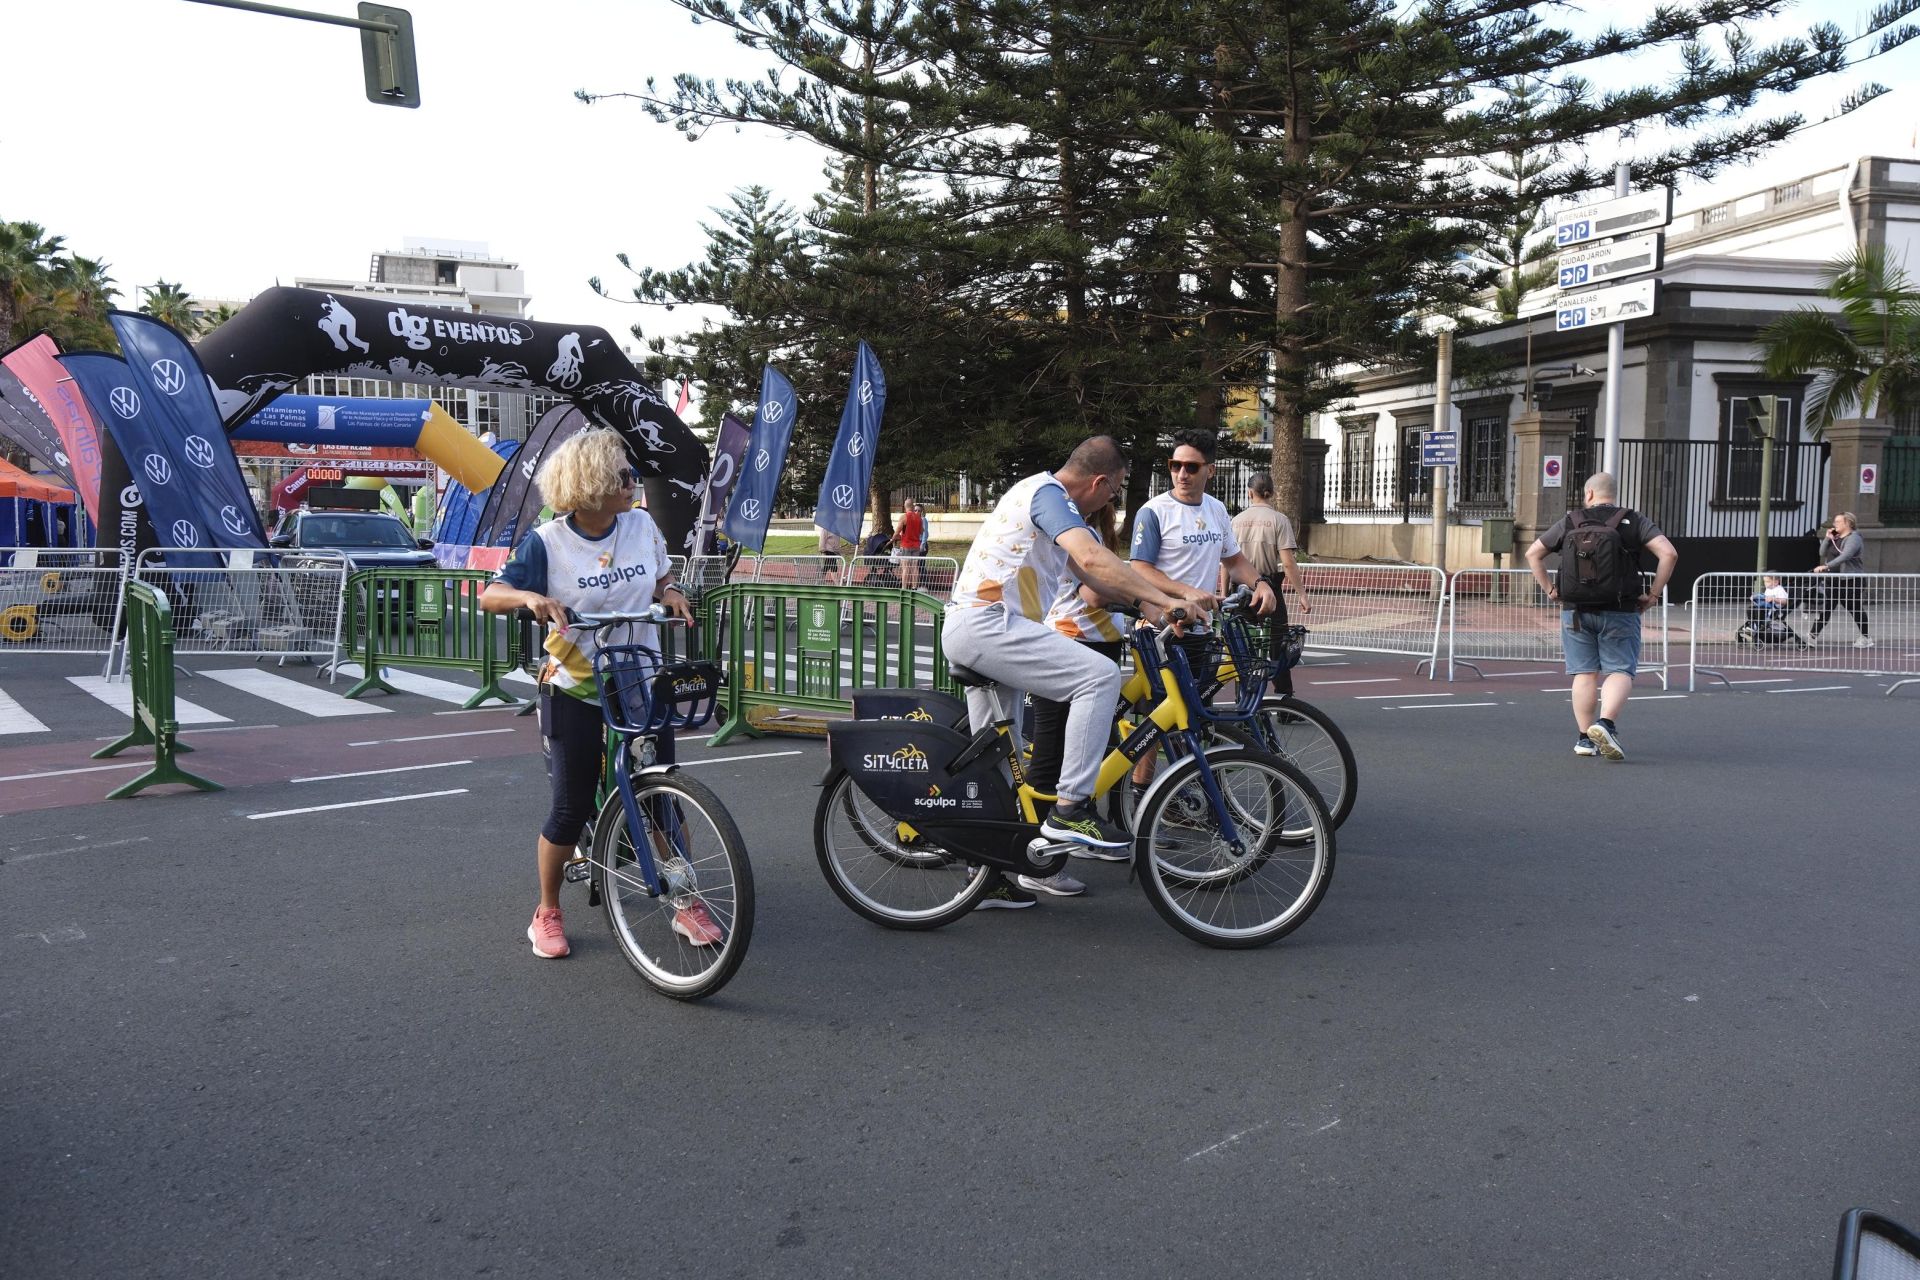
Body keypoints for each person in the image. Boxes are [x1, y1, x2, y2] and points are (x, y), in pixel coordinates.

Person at [943, 435, 1205, 908]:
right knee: (1098, 677)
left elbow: (1094, 578)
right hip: (988, 625)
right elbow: (1091, 557)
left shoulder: (1040, 499)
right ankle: (1070, 810)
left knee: (995, 762)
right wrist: (1171, 598)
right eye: (1116, 490)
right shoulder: (1048, 496)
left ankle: (985, 876)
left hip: (984, 627)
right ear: (1101, 481)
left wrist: (1152, 605)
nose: (1113, 501)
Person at [479, 428, 700, 959]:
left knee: (662, 794)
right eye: (625, 475)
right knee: (571, 804)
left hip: (639, 680)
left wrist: (670, 593)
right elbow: (491, 595)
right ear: (594, 483)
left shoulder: (641, 524)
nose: (634, 483)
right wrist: (529, 597)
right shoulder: (549, 542)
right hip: (575, 683)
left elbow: (660, 577)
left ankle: (686, 901)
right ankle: (547, 912)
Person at [1523, 472, 1679, 762]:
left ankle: (1584, 739)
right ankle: (1605, 723)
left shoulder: (1571, 520)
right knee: (1619, 669)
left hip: (1575, 610)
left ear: (1589, 494)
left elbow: (1533, 554)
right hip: (1620, 609)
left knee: (1584, 673)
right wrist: (1653, 595)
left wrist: (1551, 590)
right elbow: (1668, 554)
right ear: (1613, 494)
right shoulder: (1633, 520)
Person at [1231, 470, 1312, 696]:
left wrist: (1223, 590)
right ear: (1272, 493)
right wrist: (1302, 594)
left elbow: (1226, 563)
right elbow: (1288, 563)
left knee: (1243, 648)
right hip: (1270, 587)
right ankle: (1284, 698)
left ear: (1249, 493)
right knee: (1278, 643)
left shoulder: (1235, 521)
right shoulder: (1279, 520)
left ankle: (1244, 698)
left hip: (1241, 589)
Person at [1809, 511, 1872, 648]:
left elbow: (1845, 556)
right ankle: (1812, 636)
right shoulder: (1835, 537)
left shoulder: (1854, 538)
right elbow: (1822, 552)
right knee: (1826, 608)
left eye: (1838, 522)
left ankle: (1866, 637)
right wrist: (1827, 538)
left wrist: (1825, 566)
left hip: (1849, 580)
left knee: (1854, 608)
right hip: (1833, 580)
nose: (1834, 524)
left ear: (1848, 523)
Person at [897, 497, 927, 590]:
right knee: (915, 566)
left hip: (906, 545)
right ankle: (914, 587)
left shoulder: (904, 517)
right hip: (916, 546)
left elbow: (897, 531)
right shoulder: (919, 518)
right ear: (913, 506)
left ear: (905, 506)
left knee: (905, 568)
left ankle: (904, 587)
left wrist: (893, 538)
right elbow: (922, 531)